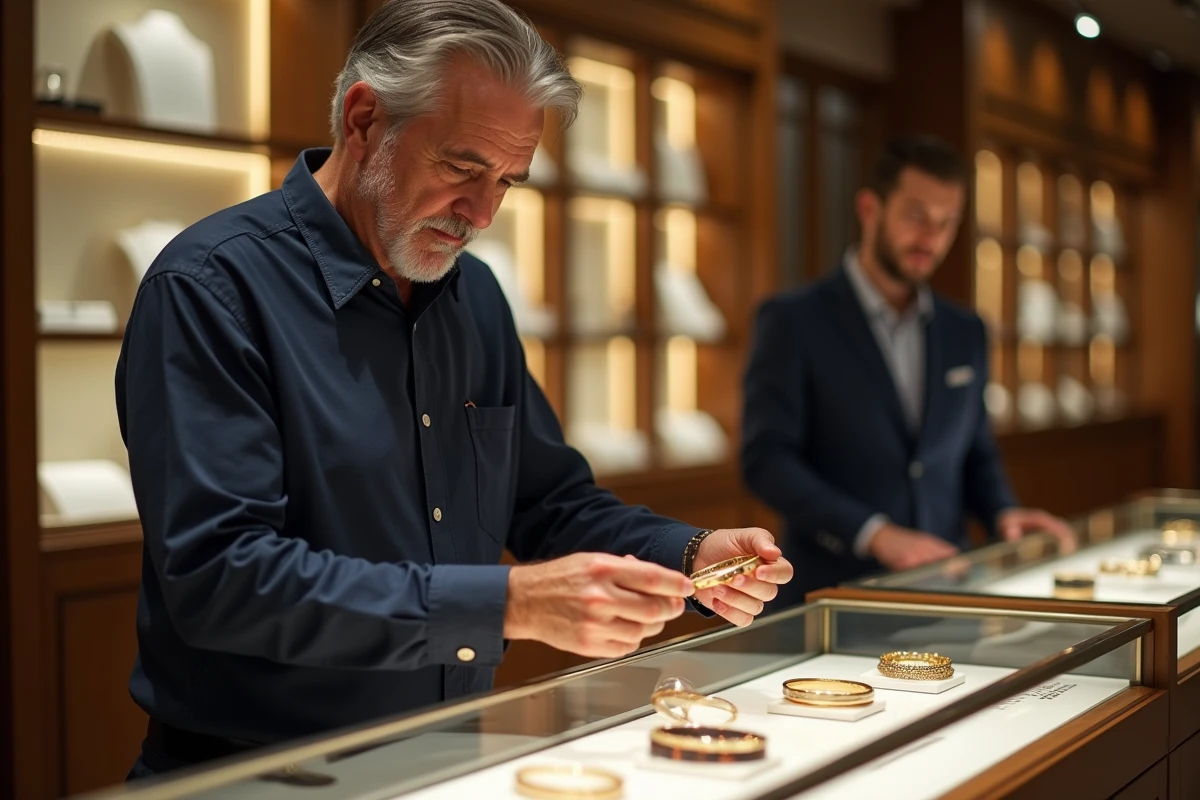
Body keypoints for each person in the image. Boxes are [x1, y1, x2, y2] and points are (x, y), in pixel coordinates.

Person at [116, 0, 792, 779]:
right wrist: (509, 604)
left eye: (507, 180)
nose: (482, 212)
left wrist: (691, 554)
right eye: (462, 167)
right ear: (363, 117)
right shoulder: (211, 289)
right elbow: (224, 577)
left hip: (450, 762)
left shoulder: (474, 298)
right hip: (258, 777)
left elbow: (547, 503)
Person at [739, 134, 1070, 610]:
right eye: (916, 216)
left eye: (946, 222)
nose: (931, 237)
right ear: (871, 208)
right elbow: (766, 461)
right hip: (832, 597)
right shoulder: (793, 320)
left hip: (949, 592)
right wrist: (874, 533)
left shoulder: (966, 330)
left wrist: (1004, 513)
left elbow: (974, 451)